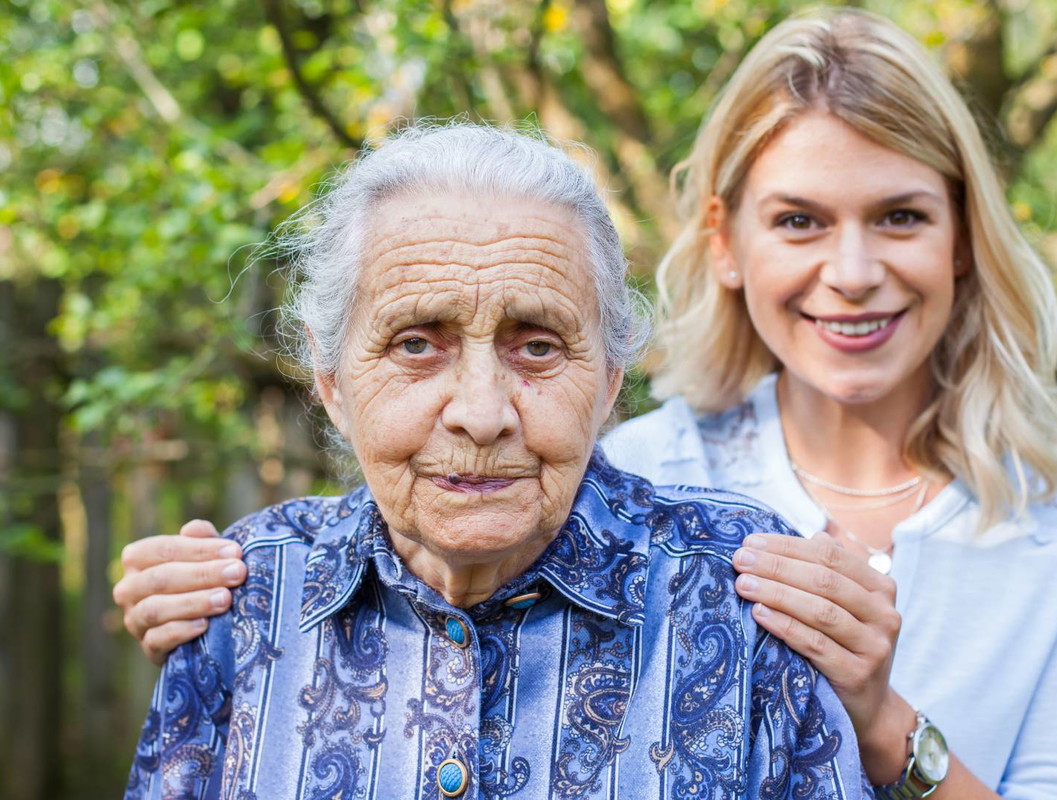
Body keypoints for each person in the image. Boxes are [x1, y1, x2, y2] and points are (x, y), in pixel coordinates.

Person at [115, 9, 1057, 800]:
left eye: (902, 215)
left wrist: (880, 715)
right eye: (798, 218)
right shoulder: (627, 460)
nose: (854, 269)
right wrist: (219, 613)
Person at [123, 123, 868, 800]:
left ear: (609, 382)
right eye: (416, 343)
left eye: (537, 346)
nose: (481, 413)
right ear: (332, 383)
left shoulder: (743, 592)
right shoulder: (244, 596)